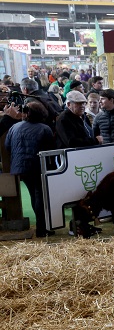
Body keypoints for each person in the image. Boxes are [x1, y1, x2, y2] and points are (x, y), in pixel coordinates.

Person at [5, 101, 56, 237]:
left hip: (19, 166)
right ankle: (41, 229)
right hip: (37, 166)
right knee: (39, 195)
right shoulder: (45, 129)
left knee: (34, 195)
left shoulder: (14, 127)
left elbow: (7, 146)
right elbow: (50, 149)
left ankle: (42, 227)